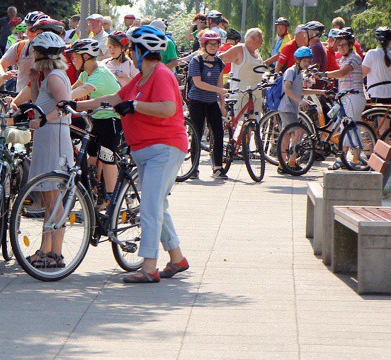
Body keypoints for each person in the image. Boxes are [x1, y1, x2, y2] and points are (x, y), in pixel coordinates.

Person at [67, 25, 189, 283]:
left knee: (150, 206)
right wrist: (75, 104)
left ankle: (149, 267)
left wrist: (134, 106)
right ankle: (177, 258)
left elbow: (168, 108)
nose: (130, 53)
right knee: (158, 206)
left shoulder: (162, 75)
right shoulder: (142, 77)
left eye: (133, 48)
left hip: (164, 148)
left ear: (143, 50)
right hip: (144, 149)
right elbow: (113, 98)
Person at [23, 31, 74, 270]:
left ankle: (52, 252)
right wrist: (34, 82)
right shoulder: (50, 76)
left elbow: (65, 107)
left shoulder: (54, 77)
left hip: (53, 137)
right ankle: (50, 251)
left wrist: (44, 121)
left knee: (54, 199)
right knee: (50, 198)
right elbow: (37, 107)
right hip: (49, 136)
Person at [68, 39, 122, 206]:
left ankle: (111, 200)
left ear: (86, 56)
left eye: (75, 57)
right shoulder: (86, 73)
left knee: (107, 158)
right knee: (91, 155)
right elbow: (71, 89)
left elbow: (82, 91)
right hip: (96, 119)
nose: (72, 60)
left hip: (111, 120)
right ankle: (91, 195)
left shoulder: (100, 74)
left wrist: (61, 100)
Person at [324, 29, 366, 169]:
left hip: (354, 96)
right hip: (345, 97)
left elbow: (342, 73)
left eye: (344, 45)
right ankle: (343, 158)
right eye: (339, 45)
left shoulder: (354, 58)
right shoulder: (342, 58)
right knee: (345, 129)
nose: (341, 48)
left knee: (353, 129)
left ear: (350, 45)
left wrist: (325, 74)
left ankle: (356, 160)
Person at [188, 30, 227, 178]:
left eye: (216, 44)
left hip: (211, 102)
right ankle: (194, 168)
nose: (213, 46)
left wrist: (222, 105)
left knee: (218, 133)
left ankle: (218, 167)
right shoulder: (196, 61)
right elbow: (198, 83)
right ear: (204, 45)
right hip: (197, 101)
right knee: (197, 133)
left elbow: (220, 83)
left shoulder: (219, 62)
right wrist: (219, 90)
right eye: (210, 44)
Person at [278, 46, 320, 172]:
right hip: (286, 107)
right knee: (297, 132)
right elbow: (287, 89)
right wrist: (300, 100)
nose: (307, 63)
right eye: (305, 61)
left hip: (292, 108)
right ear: (297, 60)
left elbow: (300, 90)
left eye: (308, 61)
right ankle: (289, 162)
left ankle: (285, 163)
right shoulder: (290, 71)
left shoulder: (299, 73)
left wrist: (321, 92)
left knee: (287, 134)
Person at [0, 11, 46, 105]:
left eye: (33, 29)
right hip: (21, 101)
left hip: (44, 102)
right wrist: (3, 75)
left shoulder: (52, 49)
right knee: (11, 116)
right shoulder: (20, 46)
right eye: (27, 28)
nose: (29, 32)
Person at [362, 27, 391, 136]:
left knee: (380, 127)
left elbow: (362, 74)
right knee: (385, 126)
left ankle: (381, 151)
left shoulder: (371, 54)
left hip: (377, 93)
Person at [221, 28, 263, 115]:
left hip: (255, 94)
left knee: (254, 123)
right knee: (240, 124)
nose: (262, 40)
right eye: (260, 37)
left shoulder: (256, 53)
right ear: (252, 38)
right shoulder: (240, 49)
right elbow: (220, 59)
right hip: (240, 93)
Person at [304, 21, 327, 86]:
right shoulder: (318, 45)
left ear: (311, 34)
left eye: (306, 33)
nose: (304, 36)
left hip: (314, 87)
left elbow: (314, 70)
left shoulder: (315, 47)